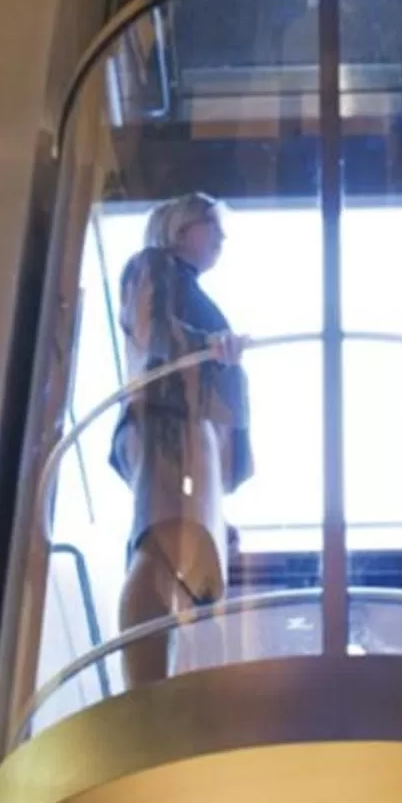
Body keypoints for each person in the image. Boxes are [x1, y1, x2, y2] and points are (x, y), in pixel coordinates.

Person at [111, 194, 252, 687]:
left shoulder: (178, 280)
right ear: (179, 228)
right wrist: (211, 346)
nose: (220, 238)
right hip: (171, 423)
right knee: (163, 541)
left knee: (184, 550)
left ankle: (160, 689)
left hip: (191, 428)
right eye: (210, 226)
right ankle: (143, 692)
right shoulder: (152, 266)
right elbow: (154, 335)